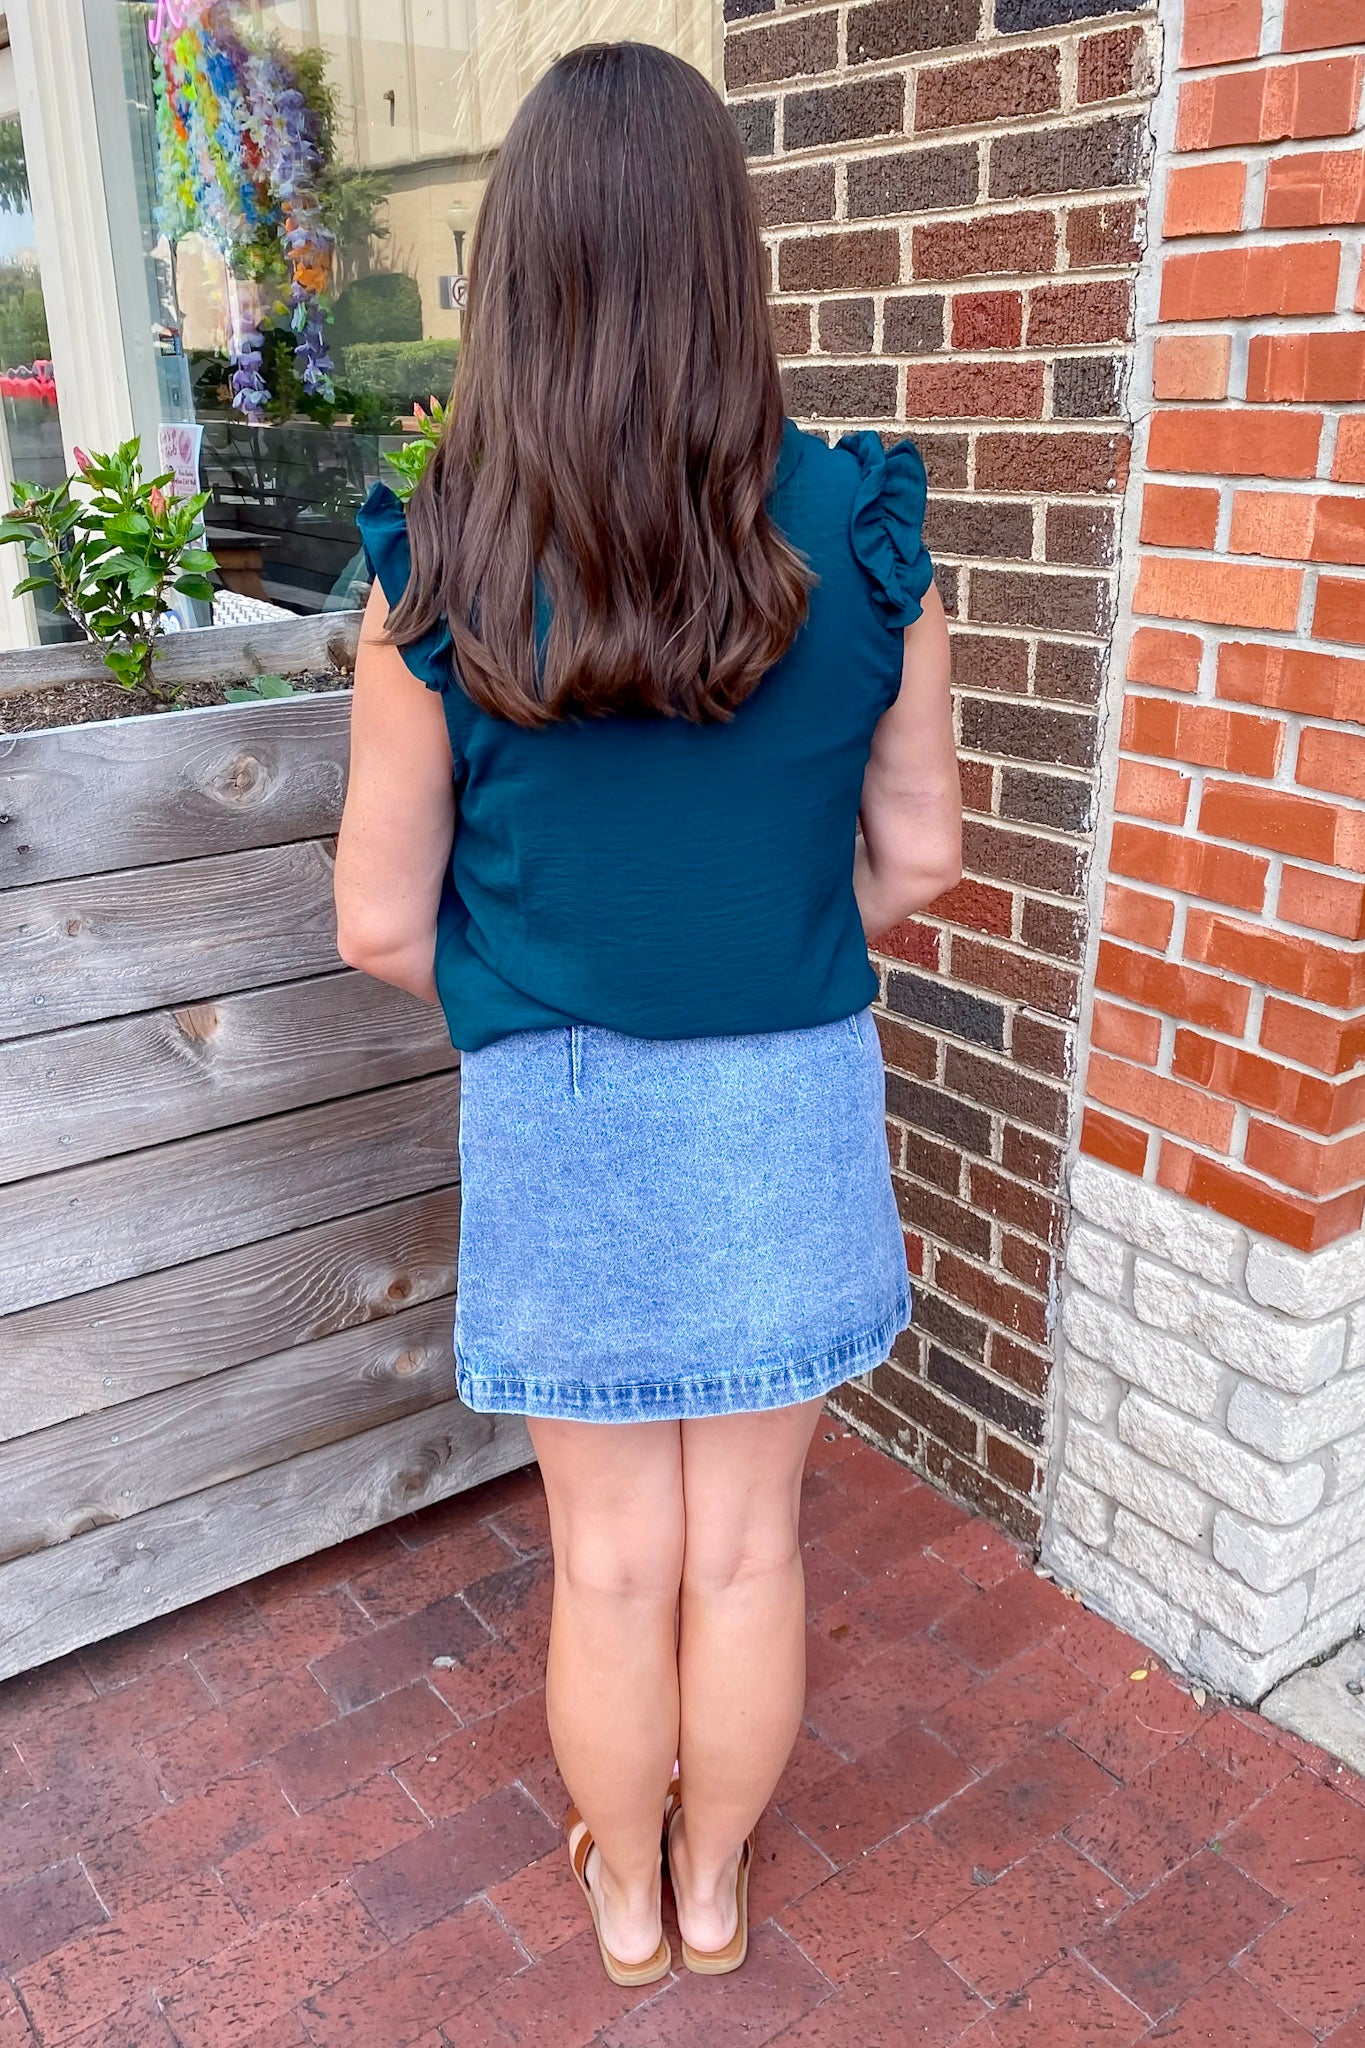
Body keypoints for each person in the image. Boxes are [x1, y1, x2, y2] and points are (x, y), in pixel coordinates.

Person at [334, 39, 960, 1988]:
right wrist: (765, 947)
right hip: (788, 1099)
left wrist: (540, 995)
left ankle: (620, 1900)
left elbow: (376, 920)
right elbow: (921, 856)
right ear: (727, 257)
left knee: (609, 1563)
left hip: (561, 1106)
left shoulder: (437, 559)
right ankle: (709, 1888)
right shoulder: (863, 526)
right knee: (747, 1548)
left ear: (515, 265)